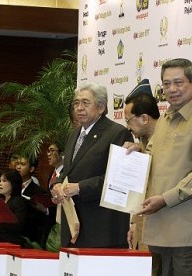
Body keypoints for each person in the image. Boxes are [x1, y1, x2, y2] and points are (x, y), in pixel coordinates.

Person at [125, 58, 192, 276]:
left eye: (178, 82)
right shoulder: (166, 118)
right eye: (166, 84)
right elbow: (159, 159)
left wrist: (165, 199)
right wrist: (139, 154)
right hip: (161, 229)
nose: (171, 89)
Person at [51, 82, 133, 248]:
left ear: (101, 107)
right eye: (76, 103)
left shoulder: (117, 133)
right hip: (74, 225)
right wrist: (57, 185)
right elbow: (67, 171)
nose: (79, 108)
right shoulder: (74, 134)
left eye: (85, 103)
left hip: (101, 227)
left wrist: (80, 187)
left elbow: (118, 181)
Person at [124, 80, 161, 276]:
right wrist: (133, 223)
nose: (128, 126)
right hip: (142, 224)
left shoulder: (165, 141)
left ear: (144, 118)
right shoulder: (141, 143)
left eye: (129, 120)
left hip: (160, 225)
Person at [0, 169, 28, 246]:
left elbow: (19, 227)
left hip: (10, 244)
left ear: (13, 184)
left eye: (4, 181)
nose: (0, 184)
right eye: (0, 181)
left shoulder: (19, 202)